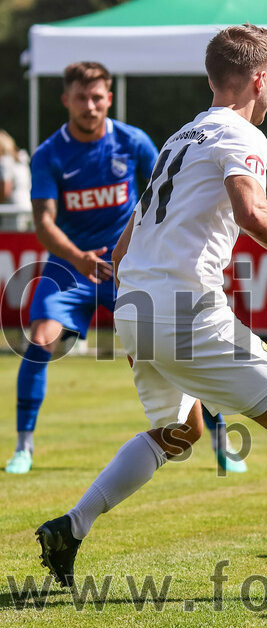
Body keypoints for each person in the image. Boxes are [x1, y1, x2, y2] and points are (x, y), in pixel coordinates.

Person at [34, 24, 267, 599]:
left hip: (136, 306)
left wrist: (132, 287)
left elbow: (132, 233)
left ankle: (69, 530)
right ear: (258, 78)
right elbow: (251, 211)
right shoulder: (242, 134)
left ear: (210, 78)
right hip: (183, 308)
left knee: (179, 431)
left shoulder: (182, 135)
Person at [8, 62, 244, 476]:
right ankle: (23, 448)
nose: (89, 105)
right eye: (81, 97)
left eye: (97, 97)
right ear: (66, 100)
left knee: (176, 353)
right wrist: (79, 258)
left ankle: (221, 441)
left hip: (130, 267)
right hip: (70, 269)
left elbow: (163, 196)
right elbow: (44, 224)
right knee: (40, 342)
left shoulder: (133, 142)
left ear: (109, 99)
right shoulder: (49, 154)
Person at [0, 129, 32, 230]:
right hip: (28, 205)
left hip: (13, 210)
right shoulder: (21, 158)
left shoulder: (4, 162)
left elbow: (5, 190)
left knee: (12, 242)